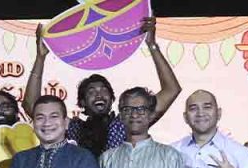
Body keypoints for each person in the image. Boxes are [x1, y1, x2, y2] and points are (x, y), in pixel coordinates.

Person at [24, 18, 180, 158]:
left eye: (104, 90)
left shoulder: (125, 122)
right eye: (91, 92)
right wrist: (40, 57)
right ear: (82, 102)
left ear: (112, 99)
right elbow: (31, 105)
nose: (99, 94)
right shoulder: (73, 128)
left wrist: (152, 45)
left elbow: (171, 90)